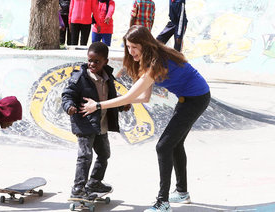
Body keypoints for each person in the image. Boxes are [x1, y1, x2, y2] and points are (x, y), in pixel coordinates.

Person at [80, 25, 210, 212]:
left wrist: (98, 105)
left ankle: (163, 203)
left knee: (164, 146)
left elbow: (128, 96)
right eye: (128, 47)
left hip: (196, 99)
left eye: (134, 47)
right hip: (187, 98)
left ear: (145, 45)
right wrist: (127, 103)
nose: (130, 51)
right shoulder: (147, 59)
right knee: (175, 144)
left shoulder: (156, 62)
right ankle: (182, 192)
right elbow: (144, 97)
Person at [62, 42, 131, 199]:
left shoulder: (107, 77)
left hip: (102, 125)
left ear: (105, 61)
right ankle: (78, 188)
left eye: (96, 61)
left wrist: (121, 105)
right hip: (85, 123)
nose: (92, 64)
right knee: (85, 156)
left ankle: (94, 182)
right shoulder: (79, 77)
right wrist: (69, 106)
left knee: (104, 154)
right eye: (90, 60)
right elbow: (67, 94)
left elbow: (110, 99)